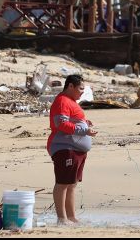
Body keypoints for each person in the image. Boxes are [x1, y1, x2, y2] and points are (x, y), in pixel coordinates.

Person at [47, 74, 97, 224]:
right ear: (70, 86)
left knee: (72, 184)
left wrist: (85, 122)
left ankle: (71, 217)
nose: (82, 92)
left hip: (76, 149)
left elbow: (71, 119)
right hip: (64, 147)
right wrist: (84, 130)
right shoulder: (62, 100)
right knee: (63, 183)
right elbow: (61, 124)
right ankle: (62, 218)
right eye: (80, 88)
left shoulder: (71, 101)